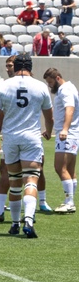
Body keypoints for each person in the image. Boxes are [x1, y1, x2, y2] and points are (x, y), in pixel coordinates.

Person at [0, 54, 53, 237]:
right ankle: (29, 220)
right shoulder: (40, 86)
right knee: (31, 179)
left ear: (15, 67)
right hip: (31, 138)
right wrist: (48, 131)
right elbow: (49, 117)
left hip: (10, 138)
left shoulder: (4, 86)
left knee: (15, 181)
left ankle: (15, 223)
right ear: (31, 67)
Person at [44, 67, 79, 213]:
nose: (50, 85)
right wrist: (50, 130)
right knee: (70, 170)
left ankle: (69, 202)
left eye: (51, 82)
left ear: (58, 78)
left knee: (60, 167)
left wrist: (64, 129)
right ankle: (70, 201)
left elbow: (69, 109)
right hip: (72, 133)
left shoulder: (65, 89)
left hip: (67, 134)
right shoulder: (69, 88)